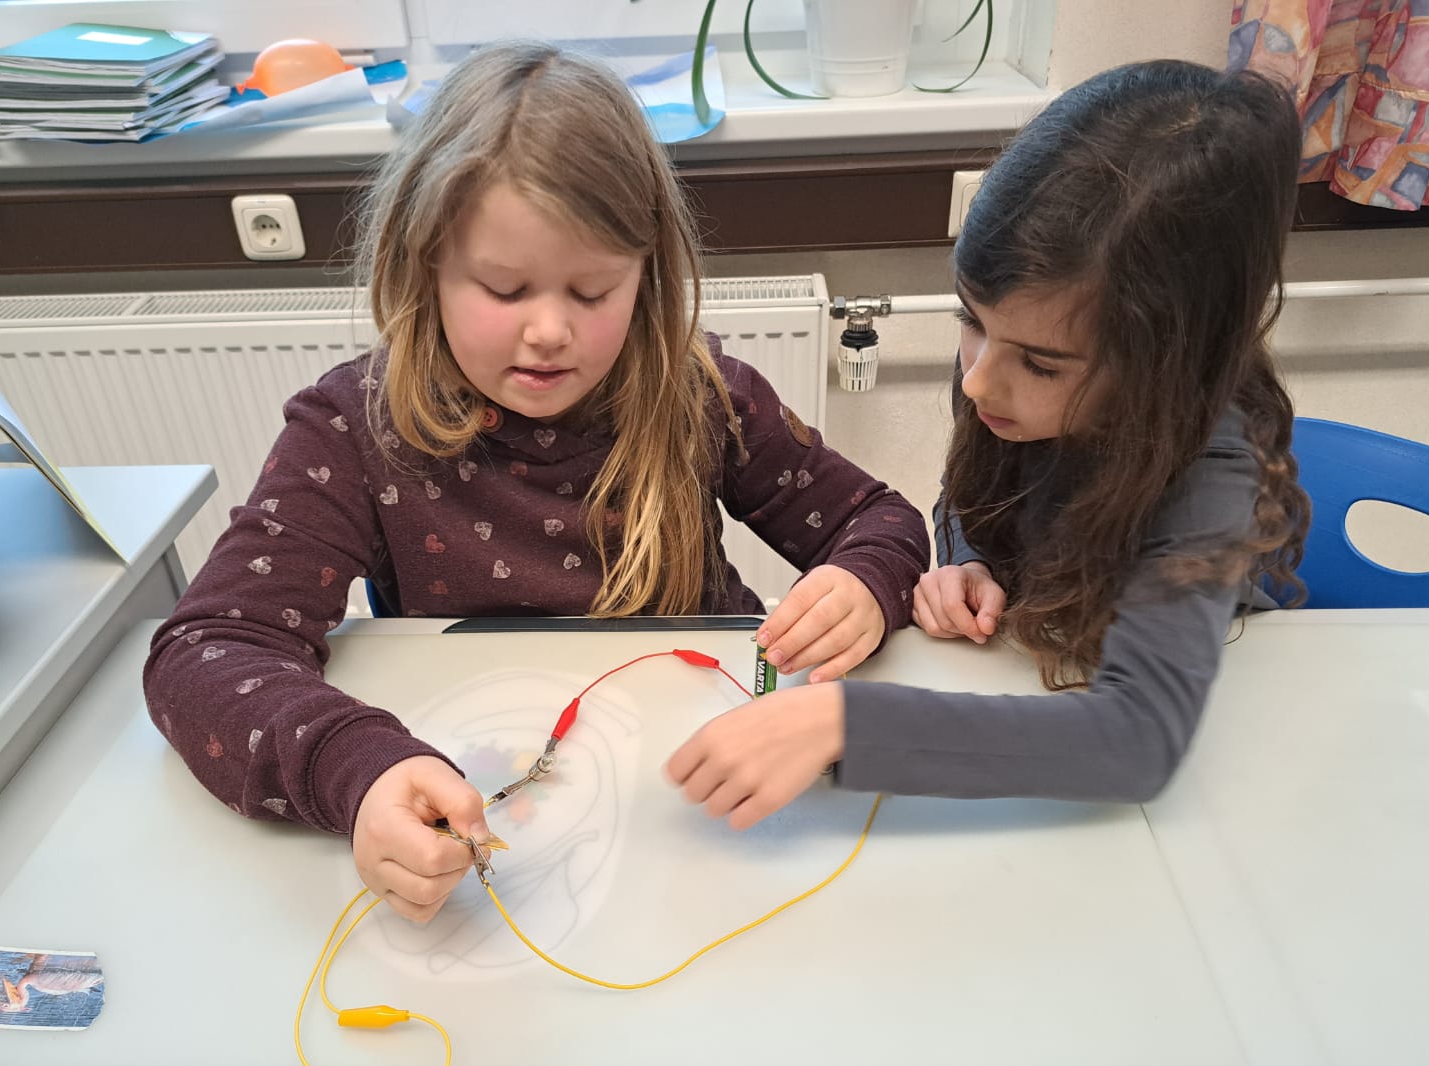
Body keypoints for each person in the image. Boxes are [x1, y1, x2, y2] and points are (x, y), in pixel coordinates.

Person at [143, 42, 929, 921]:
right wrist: (354, 770)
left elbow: (880, 519)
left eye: (592, 292)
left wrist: (864, 579)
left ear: (647, 276)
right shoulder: (353, 427)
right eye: (504, 288)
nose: (550, 331)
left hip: (696, 808)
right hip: (486, 807)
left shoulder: (704, 394)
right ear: (423, 264)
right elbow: (207, 649)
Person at [668, 59, 1311, 827]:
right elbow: (971, 495)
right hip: (1030, 676)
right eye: (969, 321)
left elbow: (1136, 741)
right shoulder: (1009, 365)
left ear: (1167, 362)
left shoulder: (1213, 468)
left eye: (1041, 364)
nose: (977, 382)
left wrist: (843, 724)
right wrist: (967, 559)